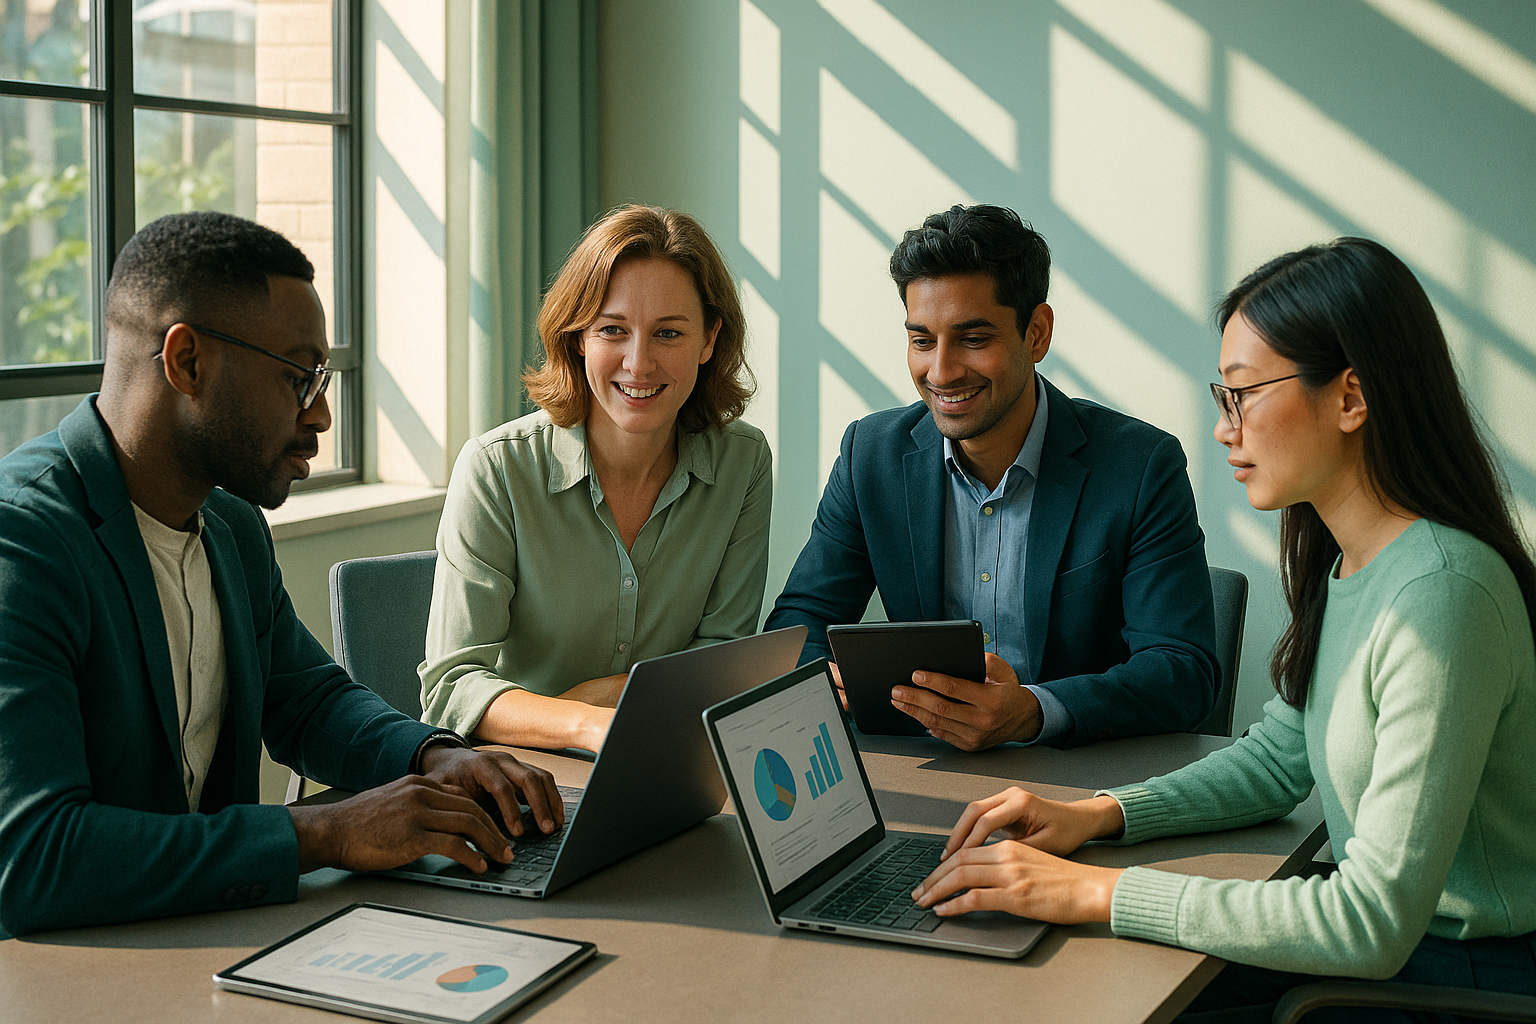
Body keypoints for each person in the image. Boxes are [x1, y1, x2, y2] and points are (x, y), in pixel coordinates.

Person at [912, 238, 1536, 1019]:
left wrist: (1098, 890)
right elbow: (1278, 762)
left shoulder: (1442, 594)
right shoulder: (1355, 565)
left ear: (1351, 397)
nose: (1222, 428)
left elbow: (1369, 924)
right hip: (1404, 956)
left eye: (1242, 394)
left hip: (1462, 977)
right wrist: (1096, 815)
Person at [0, 212, 564, 938]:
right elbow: (33, 858)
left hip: (203, 940)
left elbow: (306, 700)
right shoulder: (25, 542)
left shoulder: (230, 526)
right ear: (187, 362)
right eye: (299, 378)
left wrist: (433, 756)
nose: (322, 414)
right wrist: (322, 833)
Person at [765, 204, 1218, 750]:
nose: (941, 371)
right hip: (924, 769)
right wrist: (827, 682)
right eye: (922, 340)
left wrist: (1034, 711)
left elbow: (1184, 673)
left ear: (1037, 333)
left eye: (973, 339)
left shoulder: (1141, 466)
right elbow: (799, 625)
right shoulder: (871, 456)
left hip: (1079, 781)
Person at [419, 205, 771, 753]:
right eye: (613, 330)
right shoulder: (496, 468)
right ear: (578, 337)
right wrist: (586, 722)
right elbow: (451, 687)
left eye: (669, 333)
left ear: (709, 340)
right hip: (522, 772)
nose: (639, 363)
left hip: (670, 757)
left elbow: (720, 661)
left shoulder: (742, 463)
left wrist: (605, 694)